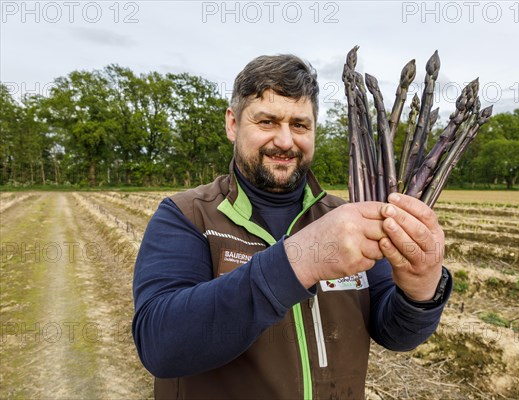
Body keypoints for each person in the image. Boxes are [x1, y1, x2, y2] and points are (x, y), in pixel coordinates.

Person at [132, 54, 451, 399]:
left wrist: (420, 292)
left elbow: (395, 333)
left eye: (300, 125)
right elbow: (160, 345)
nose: (285, 141)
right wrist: (300, 260)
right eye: (267, 122)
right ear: (233, 124)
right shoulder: (187, 215)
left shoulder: (345, 218)